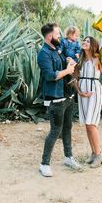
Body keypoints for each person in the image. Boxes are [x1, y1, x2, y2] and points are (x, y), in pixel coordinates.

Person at [37, 23, 81, 177]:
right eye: (57, 34)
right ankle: (44, 164)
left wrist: (70, 61)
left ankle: (68, 157)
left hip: (68, 96)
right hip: (55, 98)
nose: (60, 37)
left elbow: (65, 66)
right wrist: (68, 70)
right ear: (49, 36)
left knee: (67, 128)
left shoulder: (58, 50)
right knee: (55, 131)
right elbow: (50, 76)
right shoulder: (43, 53)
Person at [74, 36, 102, 168]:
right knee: (87, 125)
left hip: (94, 91)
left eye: (88, 41)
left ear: (93, 45)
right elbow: (75, 77)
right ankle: (93, 153)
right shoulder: (80, 60)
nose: (84, 42)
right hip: (82, 92)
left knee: (91, 123)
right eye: (84, 40)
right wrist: (79, 91)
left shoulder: (97, 60)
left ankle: (99, 155)